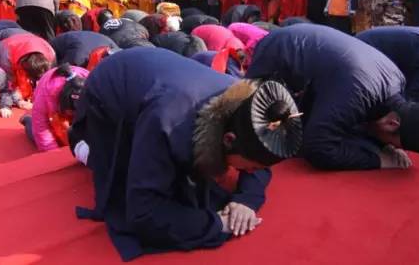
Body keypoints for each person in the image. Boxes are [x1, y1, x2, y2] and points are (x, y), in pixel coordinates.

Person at [69, 47, 302, 260]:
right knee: (121, 184)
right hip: (108, 96)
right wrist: (216, 224)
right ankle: (81, 145)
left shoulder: (244, 106)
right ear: (228, 140)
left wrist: (246, 201)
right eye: (250, 169)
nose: (251, 173)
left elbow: (260, 160)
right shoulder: (169, 123)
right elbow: (144, 213)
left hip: (156, 77)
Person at [247, 24, 419, 171]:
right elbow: (318, 148)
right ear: (392, 123)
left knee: (312, 123)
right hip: (279, 49)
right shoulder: (358, 95)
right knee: (254, 119)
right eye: (393, 142)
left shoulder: (397, 82)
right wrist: (377, 158)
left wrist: (383, 145)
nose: (390, 147)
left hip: (315, 53)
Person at [21, 63, 89, 151]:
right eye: (71, 113)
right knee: (41, 134)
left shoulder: (94, 86)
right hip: (49, 97)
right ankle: (28, 120)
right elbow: (43, 134)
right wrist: (55, 155)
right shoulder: (44, 97)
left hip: (83, 100)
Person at [0, 32, 56, 118]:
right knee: (0, 82)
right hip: (1, 37)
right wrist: (8, 105)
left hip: (27, 38)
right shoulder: (5, 57)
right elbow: (6, 86)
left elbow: (48, 81)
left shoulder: (50, 54)